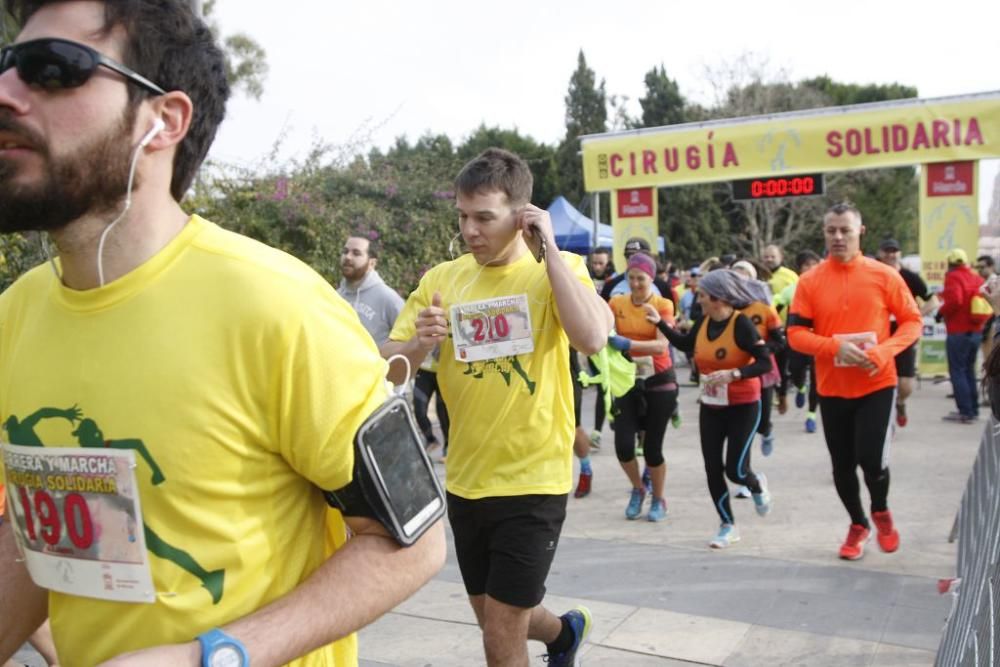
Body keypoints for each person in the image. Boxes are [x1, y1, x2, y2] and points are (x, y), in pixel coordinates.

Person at [0, 2, 445, 665]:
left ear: (164, 121)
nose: (7, 92)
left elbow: (412, 539)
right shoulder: (15, 317)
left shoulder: (277, 304)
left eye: (51, 69)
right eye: (8, 65)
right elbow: (47, 547)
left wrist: (211, 655)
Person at [381, 148, 613, 666]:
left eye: (484, 217)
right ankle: (563, 635)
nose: (470, 229)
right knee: (498, 615)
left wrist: (549, 249)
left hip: (534, 478)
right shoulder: (443, 279)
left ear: (522, 214)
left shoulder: (559, 268)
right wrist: (418, 344)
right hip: (466, 478)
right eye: (462, 216)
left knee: (499, 636)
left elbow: (593, 338)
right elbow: (386, 366)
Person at [787, 202, 921, 561]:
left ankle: (881, 511)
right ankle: (858, 523)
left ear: (860, 231)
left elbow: (912, 322)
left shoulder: (885, 275)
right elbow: (795, 334)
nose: (837, 237)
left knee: (872, 461)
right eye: (831, 230)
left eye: (845, 230)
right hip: (832, 387)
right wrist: (833, 347)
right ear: (824, 233)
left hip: (878, 383)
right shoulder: (810, 280)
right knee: (842, 466)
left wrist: (883, 352)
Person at [651, 270, 774, 548]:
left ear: (718, 299)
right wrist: (659, 322)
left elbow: (765, 363)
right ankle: (727, 524)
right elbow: (685, 344)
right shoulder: (704, 321)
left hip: (743, 406)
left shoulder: (741, 324)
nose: (698, 299)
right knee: (712, 468)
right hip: (712, 406)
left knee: (736, 471)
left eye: (703, 295)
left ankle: (756, 485)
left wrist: (736, 374)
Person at [606, 253, 678, 522]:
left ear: (652, 278)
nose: (636, 284)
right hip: (626, 380)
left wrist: (627, 344)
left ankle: (659, 498)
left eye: (641, 279)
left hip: (659, 380)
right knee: (624, 446)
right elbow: (606, 333)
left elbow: (662, 345)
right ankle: (638, 488)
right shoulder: (616, 303)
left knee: (652, 449)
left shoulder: (663, 305)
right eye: (632, 278)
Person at [875, 238, 940, 427]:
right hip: (879, 332)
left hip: (904, 332)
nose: (890, 254)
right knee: (878, 376)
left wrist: (915, 316)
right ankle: (883, 417)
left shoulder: (909, 276)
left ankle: (900, 402)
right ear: (880, 253)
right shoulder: (872, 274)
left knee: (905, 383)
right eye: (887, 250)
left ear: (899, 254)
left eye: (894, 251)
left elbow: (933, 300)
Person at [730, 260, 785, 460]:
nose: (739, 282)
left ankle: (767, 429)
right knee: (743, 424)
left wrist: (760, 350)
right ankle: (744, 469)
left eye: (744, 277)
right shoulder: (724, 308)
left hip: (761, 368)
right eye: (735, 277)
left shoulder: (764, 308)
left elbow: (780, 341)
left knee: (761, 421)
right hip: (736, 370)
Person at [774, 250, 822, 433]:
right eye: (806, 265)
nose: (810, 269)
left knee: (817, 379)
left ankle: (811, 416)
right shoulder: (792, 289)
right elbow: (774, 309)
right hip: (798, 340)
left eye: (814, 264)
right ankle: (801, 387)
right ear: (800, 269)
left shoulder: (826, 288)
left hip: (819, 340)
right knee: (795, 371)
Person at [938, 248, 987, 423]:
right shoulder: (976, 278)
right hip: (975, 331)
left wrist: (941, 312)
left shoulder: (953, 277)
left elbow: (955, 300)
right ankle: (973, 409)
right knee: (969, 371)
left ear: (950, 263)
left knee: (957, 371)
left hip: (958, 332)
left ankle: (965, 411)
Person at [337, 235, 405, 345]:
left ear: (372, 263)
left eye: (356, 253)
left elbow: (408, 342)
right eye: (345, 251)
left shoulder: (388, 298)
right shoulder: (336, 297)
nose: (348, 257)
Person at [761, 244, 798, 414]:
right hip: (762, 328)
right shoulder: (759, 276)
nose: (769, 260)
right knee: (766, 364)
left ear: (781, 257)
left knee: (782, 366)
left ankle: (782, 394)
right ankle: (769, 396)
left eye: (772, 256)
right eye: (766, 257)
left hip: (783, 328)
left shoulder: (790, 277)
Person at [413, 347, 450, 460]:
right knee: (419, 410)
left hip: (444, 370)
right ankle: (431, 440)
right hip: (424, 370)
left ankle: (448, 446)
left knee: (443, 413)